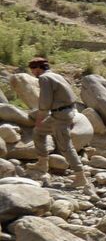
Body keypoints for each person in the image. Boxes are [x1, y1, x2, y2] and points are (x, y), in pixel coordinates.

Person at [25, 57, 88, 191]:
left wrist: (40, 117)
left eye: (32, 70)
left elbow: (45, 102)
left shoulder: (44, 78)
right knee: (38, 132)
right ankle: (42, 164)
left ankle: (80, 176)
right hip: (64, 112)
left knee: (65, 146)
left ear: (37, 68)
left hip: (60, 116)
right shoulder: (56, 75)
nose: (32, 73)